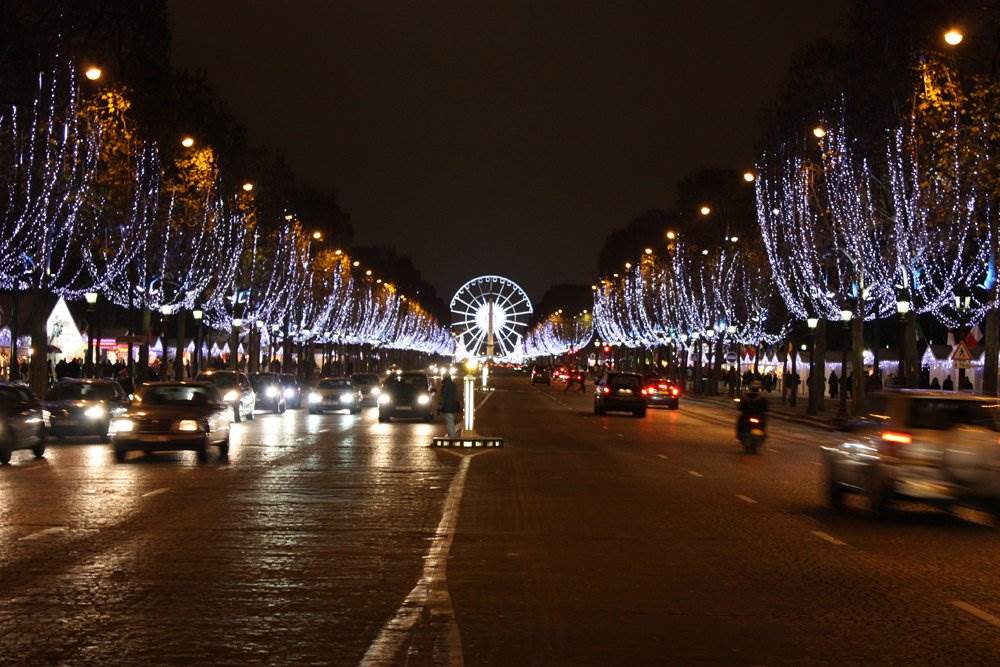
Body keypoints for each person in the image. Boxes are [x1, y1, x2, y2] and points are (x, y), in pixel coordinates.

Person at [439, 373, 461, 437]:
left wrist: (441, 406)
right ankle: (452, 435)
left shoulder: (445, 385)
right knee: (451, 421)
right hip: (453, 406)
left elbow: (444, 397)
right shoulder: (454, 385)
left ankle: (452, 436)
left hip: (447, 406)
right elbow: (457, 395)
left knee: (449, 422)